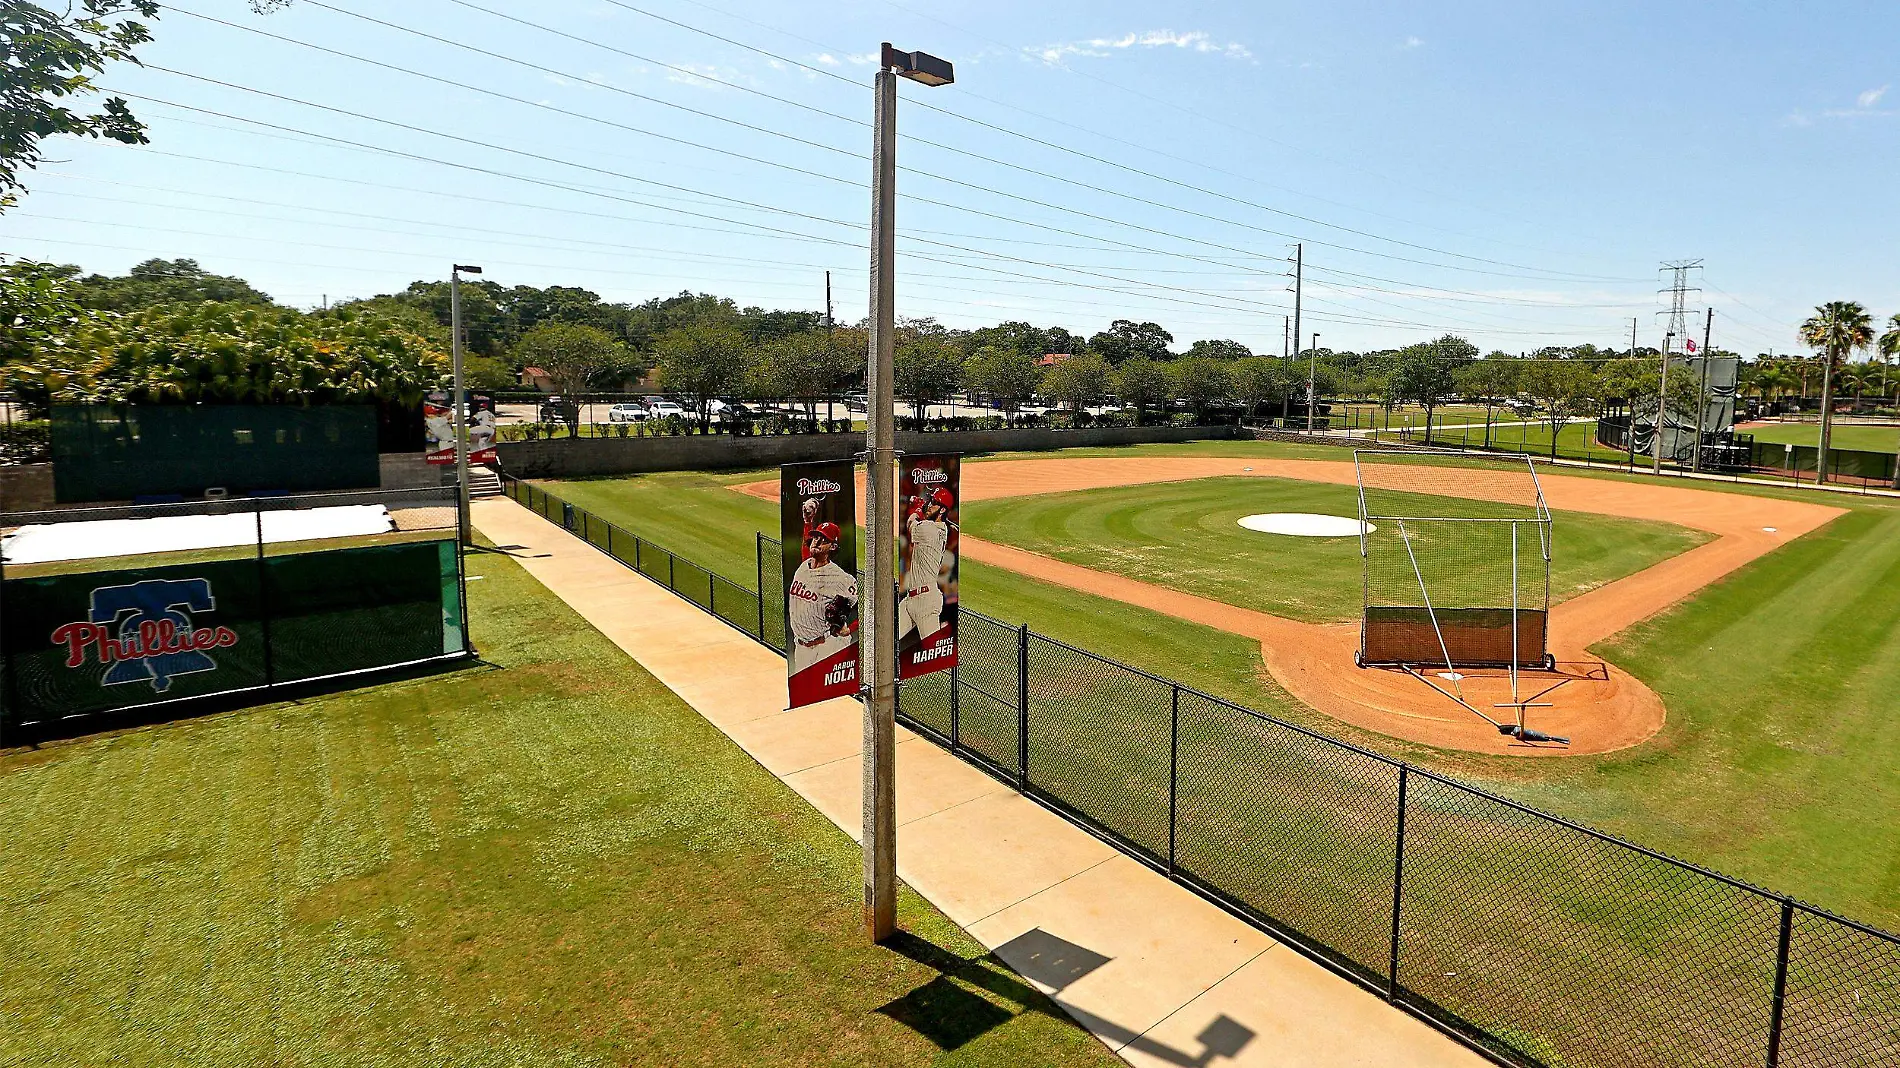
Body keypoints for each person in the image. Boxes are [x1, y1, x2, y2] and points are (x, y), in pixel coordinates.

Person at [788, 521, 858, 674]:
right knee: (805, 694)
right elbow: (806, 555)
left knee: (826, 694)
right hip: (801, 648)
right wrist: (807, 522)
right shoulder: (803, 566)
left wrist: (849, 629)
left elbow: (869, 609)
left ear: (833, 547)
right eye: (815, 537)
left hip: (827, 646)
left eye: (823, 539)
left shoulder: (839, 578)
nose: (817, 542)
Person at [898, 487, 955, 642]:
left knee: (932, 655)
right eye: (930, 501)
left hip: (927, 602)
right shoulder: (938, 528)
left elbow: (910, 523)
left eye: (934, 502)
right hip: (911, 598)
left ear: (943, 510)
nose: (929, 505)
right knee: (890, 640)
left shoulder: (929, 530)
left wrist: (917, 509)